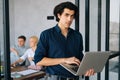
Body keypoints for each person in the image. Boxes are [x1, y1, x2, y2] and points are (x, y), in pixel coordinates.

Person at [34, 1, 95, 80]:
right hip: (54, 78)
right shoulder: (46, 35)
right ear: (59, 15)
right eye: (66, 15)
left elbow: (80, 59)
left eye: (72, 16)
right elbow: (39, 60)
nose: (69, 19)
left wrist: (86, 69)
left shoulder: (77, 35)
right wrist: (65, 60)